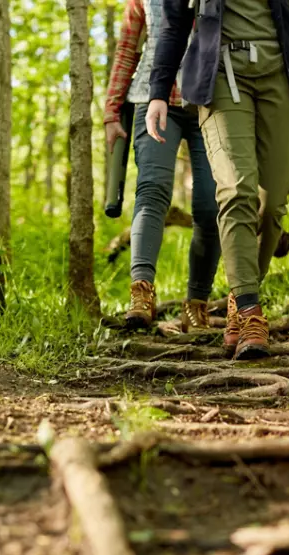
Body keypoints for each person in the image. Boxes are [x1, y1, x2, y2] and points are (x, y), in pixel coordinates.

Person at [147, 0, 289, 359]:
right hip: (219, 76)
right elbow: (174, 25)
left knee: (273, 204)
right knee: (236, 191)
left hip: (284, 76)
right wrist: (158, 91)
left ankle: (238, 300)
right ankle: (249, 312)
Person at [104, 0, 222, 332]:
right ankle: (141, 294)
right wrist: (112, 112)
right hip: (151, 99)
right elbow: (127, 49)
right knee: (152, 189)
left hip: (209, 100)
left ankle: (197, 304)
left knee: (210, 203)